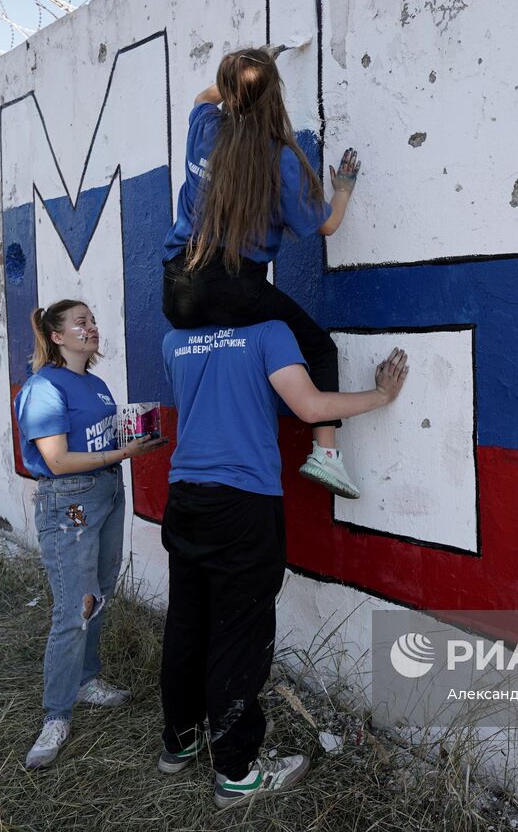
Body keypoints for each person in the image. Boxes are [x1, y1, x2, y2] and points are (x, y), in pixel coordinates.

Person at [156, 319, 408, 809]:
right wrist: (379, 396)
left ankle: (179, 741)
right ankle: (236, 772)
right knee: (239, 635)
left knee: (187, 624)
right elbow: (310, 405)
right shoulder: (267, 332)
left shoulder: (175, 340)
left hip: (185, 497)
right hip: (242, 503)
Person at [161, 44, 368, 499]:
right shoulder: (281, 159)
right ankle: (326, 456)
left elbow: (202, 97)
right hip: (236, 289)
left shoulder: (204, 129)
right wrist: (344, 191)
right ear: (273, 96)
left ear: (230, 93)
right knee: (319, 348)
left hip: (177, 292)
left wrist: (245, 73)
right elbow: (328, 225)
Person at [13, 299, 167, 769]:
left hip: (106, 492)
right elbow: (57, 460)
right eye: (81, 323)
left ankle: (86, 679)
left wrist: (133, 440)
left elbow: (96, 442)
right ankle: (56, 715)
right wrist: (121, 456)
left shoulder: (96, 386)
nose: (92, 328)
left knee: (99, 594)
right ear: (57, 336)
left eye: (93, 320)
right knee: (73, 607)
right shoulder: (43, 387)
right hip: (71, 501)